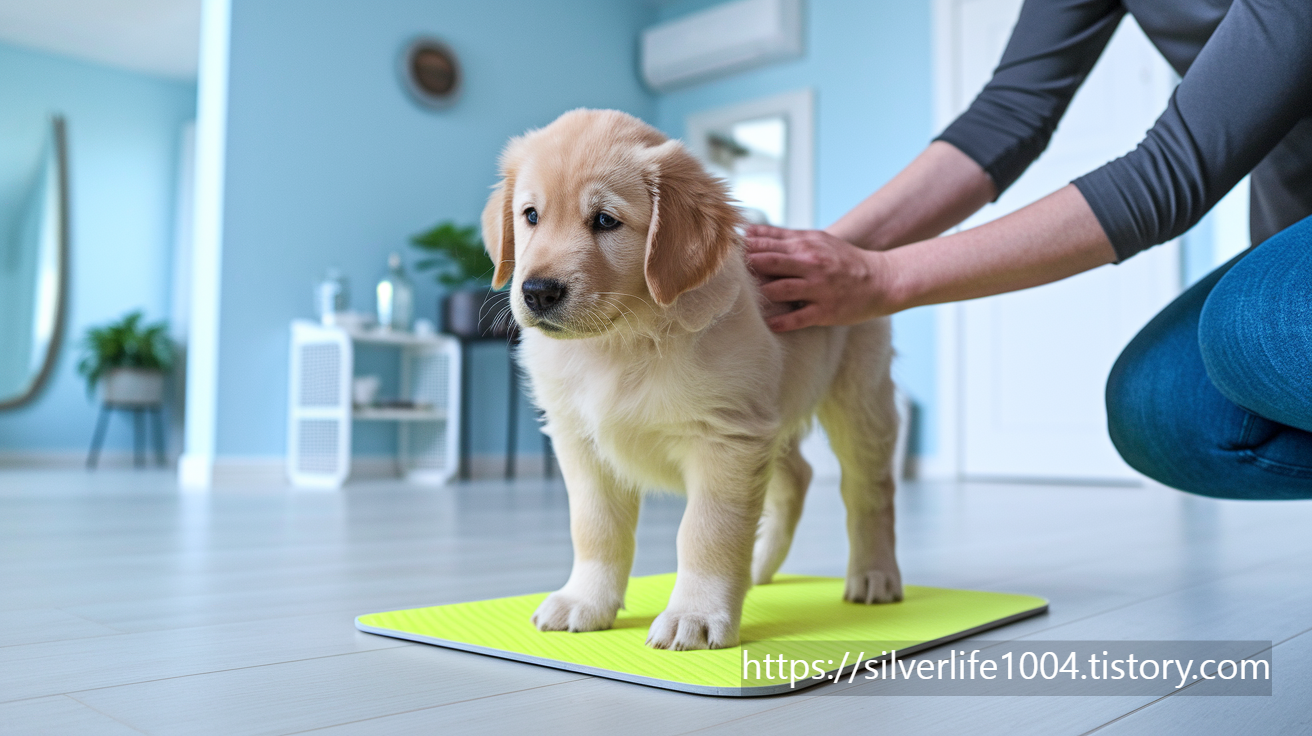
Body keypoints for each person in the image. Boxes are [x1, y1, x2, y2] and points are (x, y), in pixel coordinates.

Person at [745, 0, 1312, 499]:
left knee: (1259, 330)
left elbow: (1171, 173)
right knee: (1162, 409)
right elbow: (1007, 115)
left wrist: (882, 278)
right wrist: (807, 264)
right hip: (1291, 232)